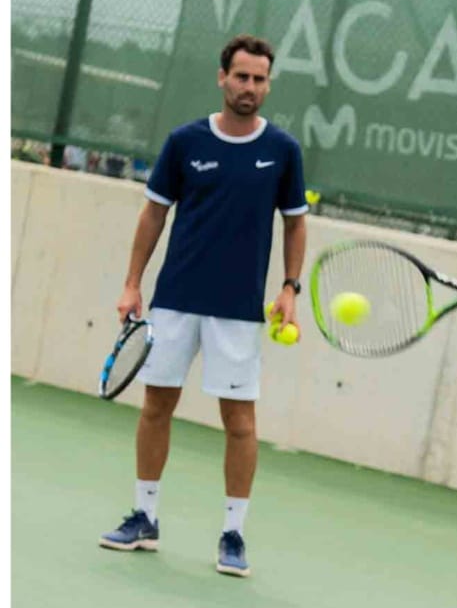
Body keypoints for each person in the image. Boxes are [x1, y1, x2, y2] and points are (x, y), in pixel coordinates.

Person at [99, 34, 309, 578]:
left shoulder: (283, 151)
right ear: (222, 78)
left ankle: (233, 534)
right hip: (175, 301)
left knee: (240, 422)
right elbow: (153, 215)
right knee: (155, 408)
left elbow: (295, 222)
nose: (250, 88)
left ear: (268, 83)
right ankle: (144, 519)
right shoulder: (185, 142)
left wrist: (290, 287)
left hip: (238, 311)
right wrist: (131, 283)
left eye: (260, 79)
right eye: (241, 77)